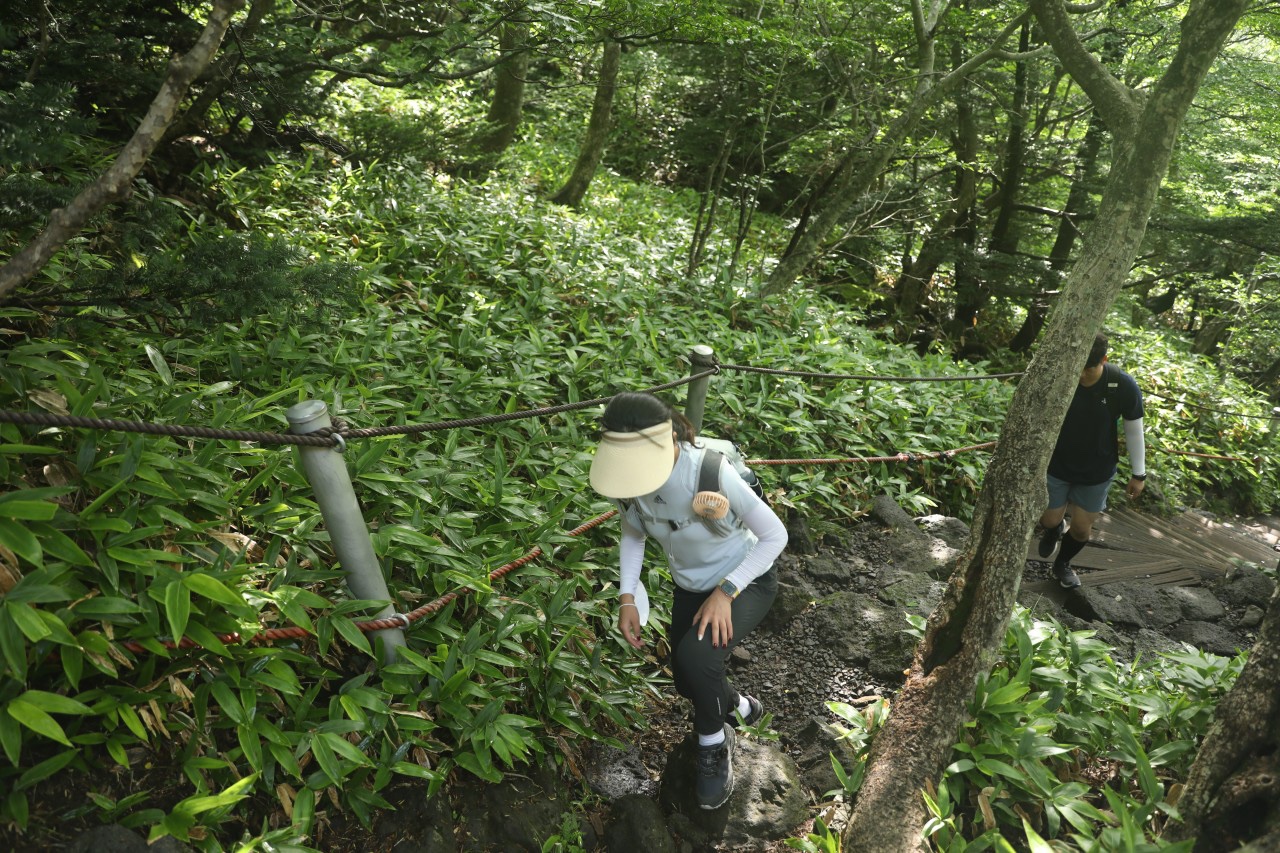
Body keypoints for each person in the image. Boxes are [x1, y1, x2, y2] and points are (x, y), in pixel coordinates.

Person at [588, 391, 787, 810]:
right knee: (685, 679)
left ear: (669, 442)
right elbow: (632, 534)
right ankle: (738, 705)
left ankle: (713, 746)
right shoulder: (630, 484)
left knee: (698, 661)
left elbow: (774, 536)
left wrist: (726, 593)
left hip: (745, 580)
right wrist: (627, 597)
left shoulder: (709, 473)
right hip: (691, 588)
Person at [1036, 332, 1146, 588]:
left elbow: (1134, 429)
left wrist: (1138, 474)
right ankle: (1053, 529)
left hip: (1097, 468)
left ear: (1104, 360)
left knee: (1081, 529)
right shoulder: (1063, 377)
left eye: (1088, 369)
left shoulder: (1122, 385)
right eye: (1079, 368)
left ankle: (1062, 563)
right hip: (1058, 463)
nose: (1082, 375)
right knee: (1049, 519)